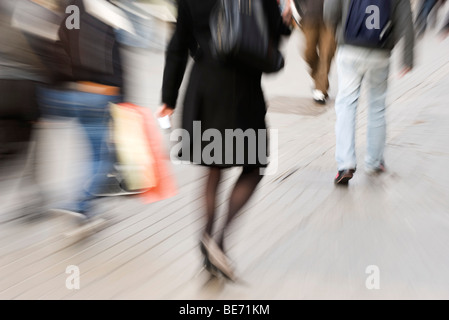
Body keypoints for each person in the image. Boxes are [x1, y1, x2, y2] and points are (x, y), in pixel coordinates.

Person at [158, 0, 291, 281]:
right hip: (242, 86)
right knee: (255, 167)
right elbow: (275, 33)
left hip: (204, 84)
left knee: (214, 168)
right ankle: (217, 241)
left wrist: (168, 98)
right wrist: (286, 16)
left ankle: (207, 236)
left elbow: (178, 45)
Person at [36, 0, 138, 220]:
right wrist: (126, 103)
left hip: (75, 92)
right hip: (102, 93)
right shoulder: (108, 10)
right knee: (101, 157)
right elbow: (120, 61)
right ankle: (80, 203)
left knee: (94, 153)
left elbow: (54, 48)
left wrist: (56, 90)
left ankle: (87, 206)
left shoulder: (68, 8)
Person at [324, 0, 415, 185]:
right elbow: (406, 21)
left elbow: (329, 13)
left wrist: (339, 32)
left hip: (349, 48)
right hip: (380, 51)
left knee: (346, 105)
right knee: (377, 107)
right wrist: (407, 57)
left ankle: (345, 164)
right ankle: (374, 162)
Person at [293, 0, 336, 104]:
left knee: (327, 54)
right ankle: (318, 80)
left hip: (331, 20)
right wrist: (299, 15)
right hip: (309, 19)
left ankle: (321, 89)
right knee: (309, 53)